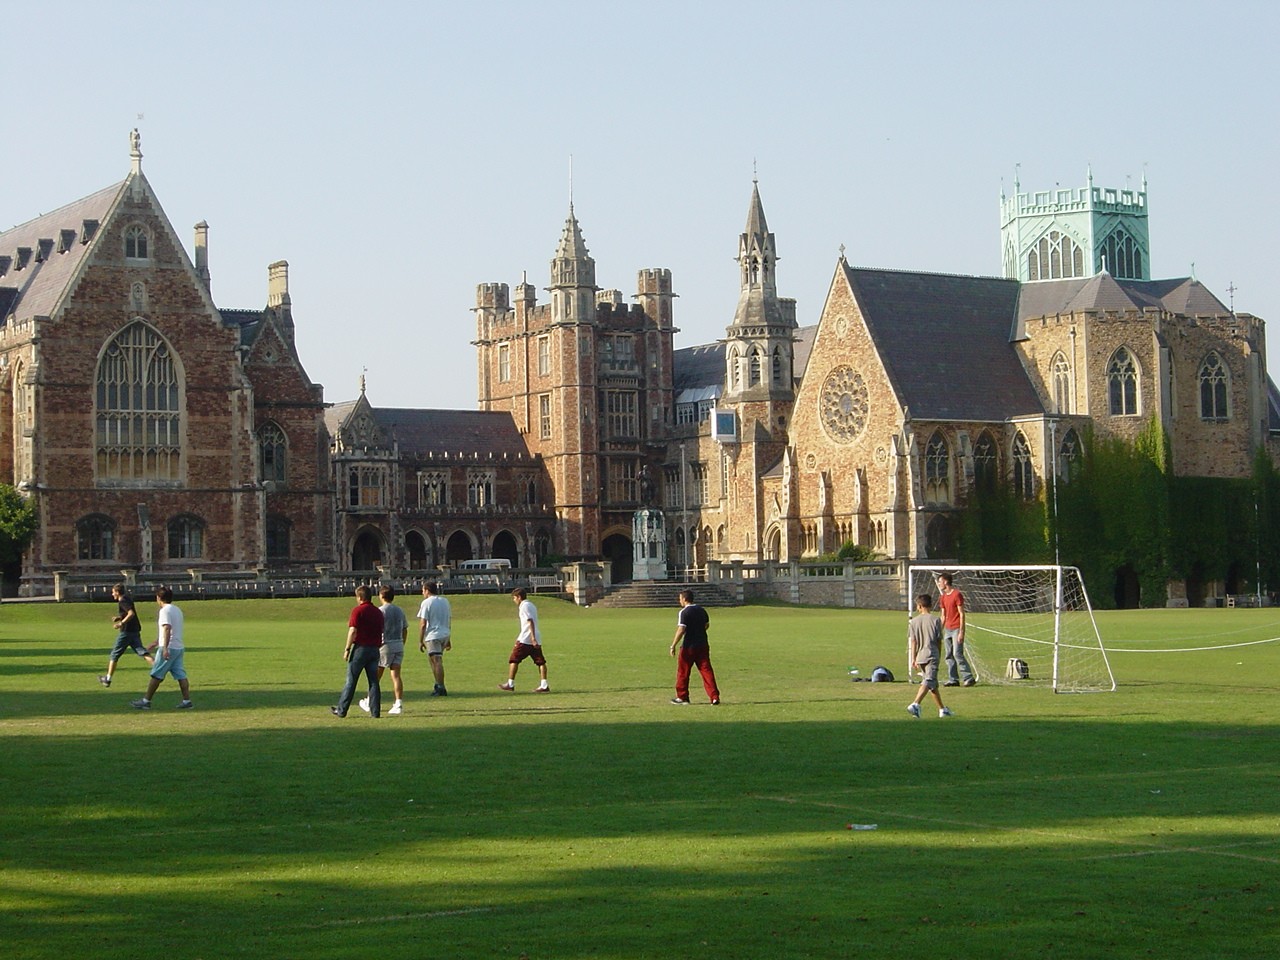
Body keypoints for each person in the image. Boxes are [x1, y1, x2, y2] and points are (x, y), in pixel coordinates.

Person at [130, 587, 192, 709]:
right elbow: (171, 630)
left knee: (156, 674)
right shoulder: (177, 610)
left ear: (158, 598)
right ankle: (187, 701)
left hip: (169, 647)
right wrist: (155, 643)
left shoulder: (164, 611)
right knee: (181, 675)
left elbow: (167, 628)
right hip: (178, 647)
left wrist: (164, 648)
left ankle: (146, 701)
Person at [332, 584, 384, 718]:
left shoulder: (358, 611)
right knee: (373, 682)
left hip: (361, 648)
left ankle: (342, 709)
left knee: (351, 680)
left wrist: (347, 649)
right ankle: (375, 711)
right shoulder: (378, 612)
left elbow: (353, 631)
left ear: (360, 597)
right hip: (374, 649)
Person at [360, 586, 407, 715]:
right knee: (396, 675)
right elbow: (405, 629)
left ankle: (370, 700)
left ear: (381, 596)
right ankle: (398, 703)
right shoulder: (399, 610)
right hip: (398, 644)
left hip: (385, 645)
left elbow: (376, 629)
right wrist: (402, 643)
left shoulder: (380, 611)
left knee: (375, 676)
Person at [669, 589, 720, 705]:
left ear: (685, 599)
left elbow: (681, 629)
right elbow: (706, 625)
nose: (679, 601)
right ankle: (714, 696)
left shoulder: (684, 612)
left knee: (683, 671)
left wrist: (673, 645)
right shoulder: (702, 610)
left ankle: (682, 697)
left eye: (680, 599)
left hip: (689, 646)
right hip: (703, 644)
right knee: (706, 671)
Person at [906, 593, 952, 718]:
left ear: (919, 606)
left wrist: (914, 658)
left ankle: (942, 709)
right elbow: (939, 640)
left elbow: (913, 641)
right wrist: (939, 653)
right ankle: (915, 704)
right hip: (932, 655)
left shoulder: (913, 622)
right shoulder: (936, 620)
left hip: (920, 656)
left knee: (933, 684)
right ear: (931, 605)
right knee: (929, 680)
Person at [99, 583, 152, 687]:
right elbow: (128, 613)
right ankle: (158, 669)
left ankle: (107, 679)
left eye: (113, 592)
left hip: (127, 632)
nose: (112, 594)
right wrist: (119, 617)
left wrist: (121, 623)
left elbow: (131, 613)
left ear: (117, 592)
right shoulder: (127, 598)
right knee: (142, 652)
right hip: (135, 630)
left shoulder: (123, 601)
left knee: (114, 655)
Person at [498, 587, 549, 692]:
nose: (514, 600)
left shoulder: (524, 606)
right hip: (534, 637)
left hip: (526, 639)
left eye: (514, 598)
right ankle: (544, 685)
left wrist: (532, 638)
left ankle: (510, 684)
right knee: (540, 661)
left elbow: (530, 621)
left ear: (519, 597)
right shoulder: (531, 605)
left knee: (514, 659)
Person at [936, 572, 975, 687]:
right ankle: (953, 679)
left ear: (946, 582)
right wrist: (939, 630)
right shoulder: (942, 597)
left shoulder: (957, 594)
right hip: (947, 629)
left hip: (957, 628)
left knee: (957, 653)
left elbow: (961, 614)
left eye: (940, 581)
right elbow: (943, 615)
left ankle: (968, 677)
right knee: (948, 655)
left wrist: (962, 631)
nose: (939, 584)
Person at [416, 580, 452, 697]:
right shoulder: (445, 601)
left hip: (433, 635)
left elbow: (422, 623)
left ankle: (441, 687)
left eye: (423, 590)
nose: (422, 593)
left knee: (437, 661)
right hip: (444, 634)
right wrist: (449, 637)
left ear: (427, 590)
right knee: (433, 660)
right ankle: (437, 684)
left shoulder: (427, 603)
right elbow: (448, 620)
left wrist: (420, 640)